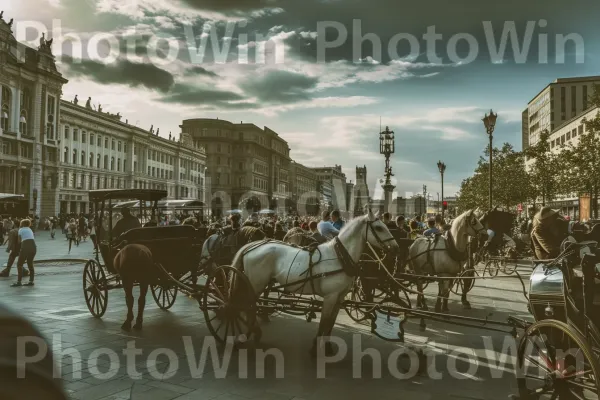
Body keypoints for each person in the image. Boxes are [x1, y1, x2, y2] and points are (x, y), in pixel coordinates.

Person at [11, 219, 36, 287]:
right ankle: (31, 281)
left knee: (19, 264)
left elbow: (19, 241)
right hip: (33, 247)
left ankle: (19, 282)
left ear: (22, 224)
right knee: (30, 264)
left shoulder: (21, 230)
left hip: (25, 246)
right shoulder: (30, 229)